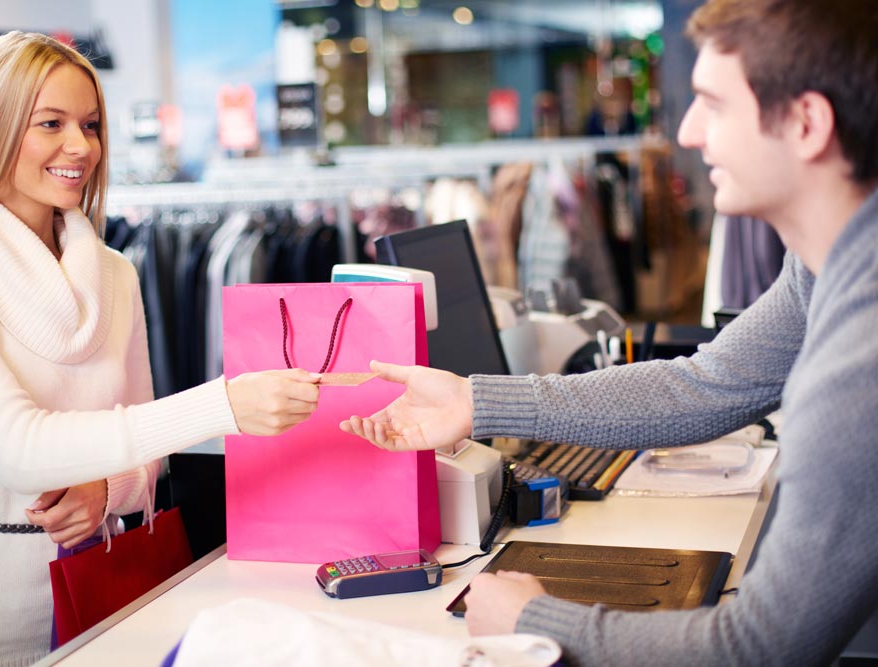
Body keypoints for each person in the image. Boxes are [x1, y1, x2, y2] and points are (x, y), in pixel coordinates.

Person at [341, 0, 878, 664]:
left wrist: (533, 619)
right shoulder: (825, 264)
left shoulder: (861, 357)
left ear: (806, 124)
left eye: (713, 105)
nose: (688, 132)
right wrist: (475, 400)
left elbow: (759, 648)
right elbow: (707, 384)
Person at [0, 32, 321, 666]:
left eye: (90, 125)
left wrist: (107, 488)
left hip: (109, 597)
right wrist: (224, 405)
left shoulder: (115, 271)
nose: (81, 146)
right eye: (52, 123)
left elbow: (146, 451)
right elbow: (19, 449)